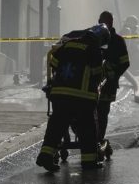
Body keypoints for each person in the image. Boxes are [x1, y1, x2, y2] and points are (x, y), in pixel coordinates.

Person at [36, 24, 108, 172]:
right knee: (88, 129)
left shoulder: (68, 44)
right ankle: (89, 162)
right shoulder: (94, 50)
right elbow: (97, 74)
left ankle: (45, 156)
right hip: (81, 97)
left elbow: (54, 63)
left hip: (59, 95)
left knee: (56, 127)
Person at [96, 11, 130, 160]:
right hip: (91, 84)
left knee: (102, 113)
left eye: (105, 22)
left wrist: (114, 74)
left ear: (111, 23)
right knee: (90, 113)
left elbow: (125, 63)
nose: (102, 25)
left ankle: (98, 139)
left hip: (108, 85)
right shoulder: (94, 39)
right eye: (100, 22)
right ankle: (91, 138)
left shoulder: (117, 41)